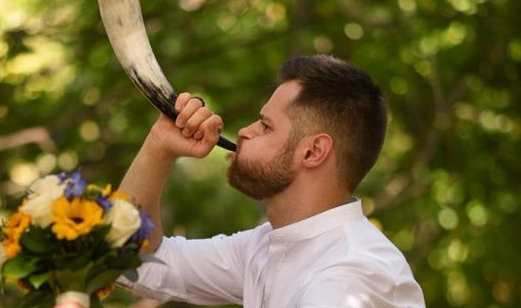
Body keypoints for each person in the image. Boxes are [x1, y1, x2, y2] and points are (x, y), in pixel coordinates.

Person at [117, 54, 425, 307]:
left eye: (265, 126)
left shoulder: (350, 275)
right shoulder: (266, 246)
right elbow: (131, 260)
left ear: (313, 152)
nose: (245, 132)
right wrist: (159, 146)